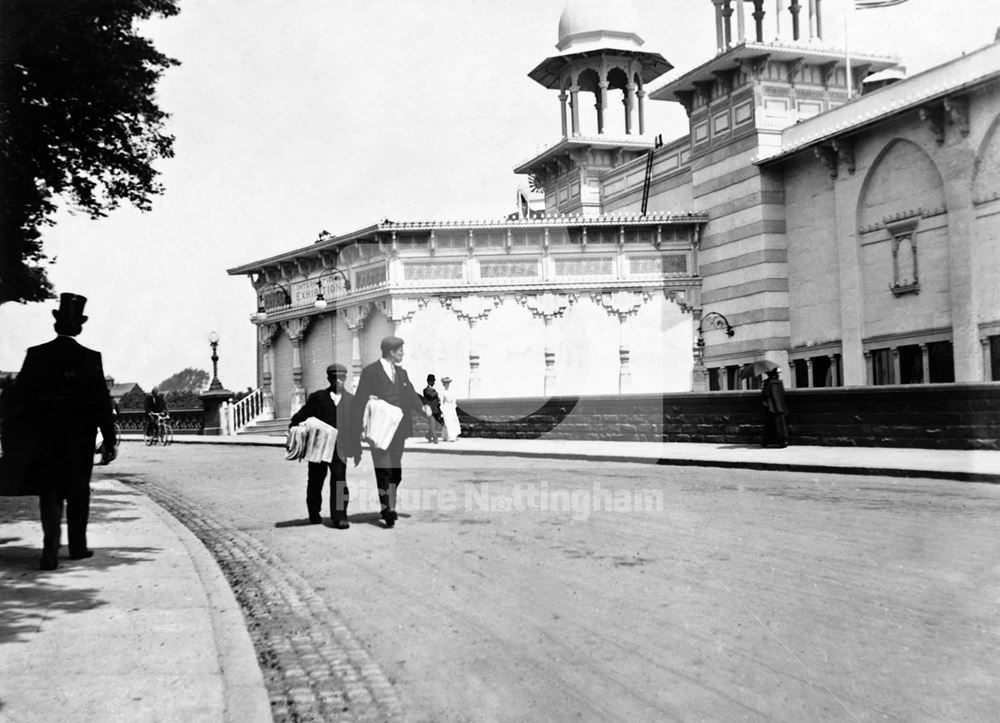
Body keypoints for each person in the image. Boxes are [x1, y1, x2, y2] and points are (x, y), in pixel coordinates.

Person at [3, 293, 117, 570]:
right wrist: (109, 442)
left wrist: (18, 439)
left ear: (57, 325)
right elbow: (102, 404)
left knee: (50, 493)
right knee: (78, 492)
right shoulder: (91, 358)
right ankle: (77, 547)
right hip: (80, 441)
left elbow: (17, 401)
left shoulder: (37, 355)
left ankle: (50, 552)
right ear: (79, 327)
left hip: (45, 441)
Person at [350, 335, 426, 528]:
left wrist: (423, 408)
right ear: (391, 352)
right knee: (384, 469)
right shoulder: (370, 372)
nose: (403, 354)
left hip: (398, 429)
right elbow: (359, 400)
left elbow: (410, 395)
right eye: (400, 350)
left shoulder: (402, 373)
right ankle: (388, 508)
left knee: (396, 472)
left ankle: (389, 503)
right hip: (379, 428)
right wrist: (358, 428)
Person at [289, 363, 361, 528]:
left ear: (346, 378)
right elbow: (301, 415)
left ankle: (340, 516)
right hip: (318, 447)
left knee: (339, 480)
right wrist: (294, 427)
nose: (339, 381)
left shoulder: (351, 400)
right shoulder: (318, 398)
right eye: (335, 378)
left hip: (340, 449)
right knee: (315, 480)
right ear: (329, 379)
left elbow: (356, 426)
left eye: (342, 378)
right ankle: (314, 512)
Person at [761, 368, 789, 448]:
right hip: (780, 407)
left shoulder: (768, 383)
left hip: (771, 407)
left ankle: (767, 442)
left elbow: (766, 394)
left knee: (770, 425)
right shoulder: (779, 382)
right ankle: (782, 441)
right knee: (781, 425)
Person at [422, 373, 443, 443]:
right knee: (433, 424)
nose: (433, 382)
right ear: (429, 381)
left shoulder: (433, 390)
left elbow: (436, 399)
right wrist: (436, 394)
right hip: (430, 410)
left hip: (435, 409)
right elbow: (430, 396)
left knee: (435, 425)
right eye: (432, 381)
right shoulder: (425, 390)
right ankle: (435, 438)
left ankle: (428, 435)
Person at [439, 376, 461, 442]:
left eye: (448, 383)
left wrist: (453, 406)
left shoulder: (452, 391)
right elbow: (441, 402)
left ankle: (451, 435)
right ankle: (450, 436)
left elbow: (454, 400)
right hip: (446, 407)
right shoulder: (443, 392)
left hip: (451, 407)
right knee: (447, 421)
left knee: (453, 421)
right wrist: (442, 410)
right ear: (444, 384)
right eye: (446, 383)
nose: (447, 384)